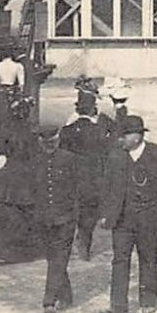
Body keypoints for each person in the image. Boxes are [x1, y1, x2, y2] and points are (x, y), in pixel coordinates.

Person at [98, 114, 157, 313]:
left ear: (137, 136)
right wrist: (105, 213)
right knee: (120, 261)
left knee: (148, 258)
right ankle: (118, 306)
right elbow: (105, 186)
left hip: (149, 217)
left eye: (124, 136)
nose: (120, 140)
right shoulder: (115, 155)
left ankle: (148, 301)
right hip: (122, 219)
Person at [0, 99, 41, 264]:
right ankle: (21, 252)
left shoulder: (4, 133)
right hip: (26, 176)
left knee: (2, 214)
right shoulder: (32, 134)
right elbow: (38, 157)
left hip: (8, 176)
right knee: (25, 211)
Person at [30, 127, 82, 313]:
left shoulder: (70, 159)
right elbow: (31, 190)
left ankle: (49, 301)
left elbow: (79, 190)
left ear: (58, 141)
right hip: (43, 219)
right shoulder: (35, 161)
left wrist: (77, 220)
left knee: (58, 258)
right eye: (45, 144)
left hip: (65, 219)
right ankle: (66, 295)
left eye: (52, 142)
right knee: (54, 259)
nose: (49, 147)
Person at [58, 93, 110, 260]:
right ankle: (84, 243)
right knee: (89, 213)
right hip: (93, 178)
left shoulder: (66, 131)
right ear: (93, 109)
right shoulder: (99, 131)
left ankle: (68, 244)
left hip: (71, 179)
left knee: (70, 211)